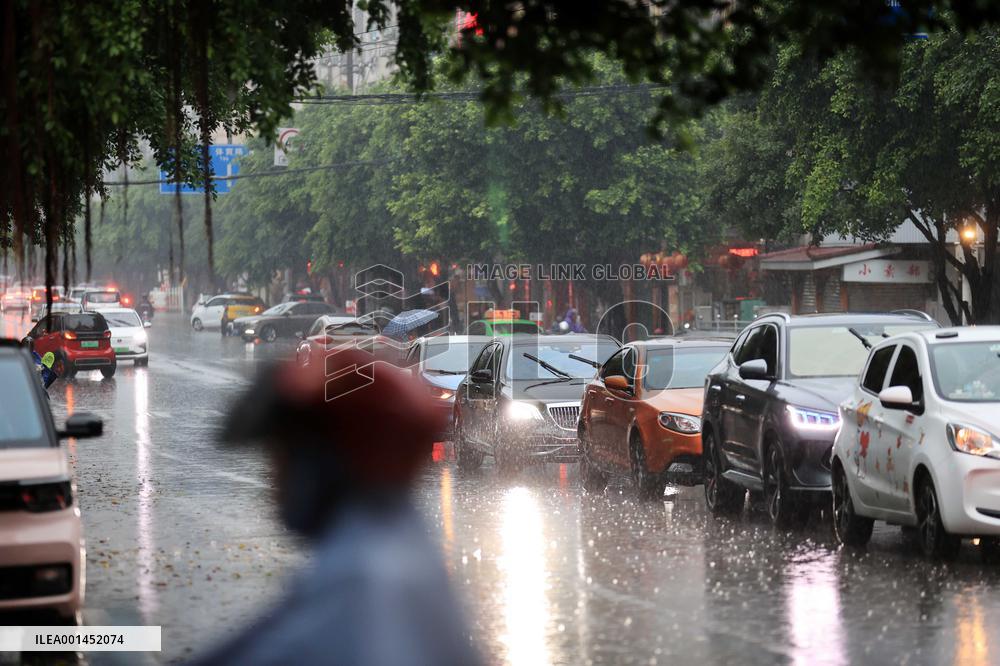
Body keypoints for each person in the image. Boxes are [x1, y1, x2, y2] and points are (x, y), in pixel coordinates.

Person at [191, 349, 482, 666]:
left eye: (283, 458)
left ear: (324, 465)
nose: (274, 481)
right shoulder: (396, 543)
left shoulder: (360, 578)